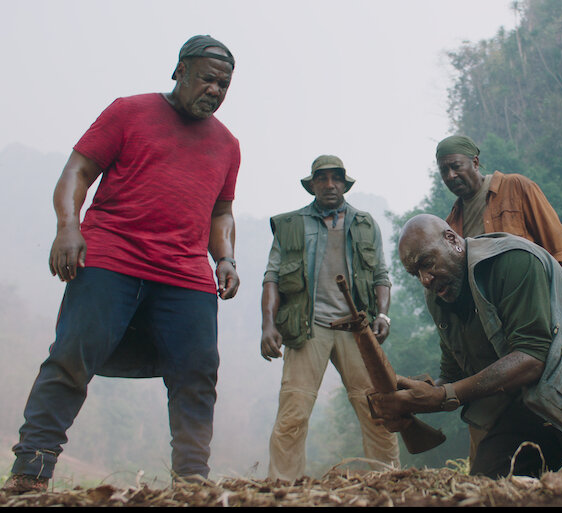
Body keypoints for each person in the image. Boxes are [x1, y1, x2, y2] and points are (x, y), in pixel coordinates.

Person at [2, 35, 241, 494]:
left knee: (198, 371)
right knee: (72, 356)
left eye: (224, 84)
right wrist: (69, 226)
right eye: (207, 78)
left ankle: (191, 484)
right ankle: (31, 472)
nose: (215, 90)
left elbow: (222, 211)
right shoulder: (128, 111)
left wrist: (225, 257)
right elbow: (77, 171)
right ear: (180, 72)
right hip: (112, 255)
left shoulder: (228, 144)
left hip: (185, 271)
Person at [370, 214, 562, 478]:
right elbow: (454, 374)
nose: (425, 279)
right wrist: (411, 400)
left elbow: (532, 357)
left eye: (427, 263)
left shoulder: (511, 260)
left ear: (452, 240)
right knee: (485, 488)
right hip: (534, 398)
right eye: (415, 273)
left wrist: (442, 397)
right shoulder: (439, 296)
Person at [260, 155, 400, 481]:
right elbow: (272, 278)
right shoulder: (291, 225)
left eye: (336, 178)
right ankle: (283, 488)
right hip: (309, 328)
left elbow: (381, 275)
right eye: (322, 179)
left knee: (377, 409)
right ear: (312, 184)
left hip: (357, 330)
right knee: (293, 413)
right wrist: (268, 325)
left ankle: (391, 483)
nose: (329, 185)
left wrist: (383, 315)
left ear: (345, 183)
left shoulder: (365, 223)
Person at [435, 135, 562, 276]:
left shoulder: (516, 187)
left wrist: (560, 295)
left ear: (475, 163)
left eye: (456, 167)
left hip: (531, 293)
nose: (450, 175)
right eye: (444, 171)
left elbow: (561, 251)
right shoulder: (450, 226)